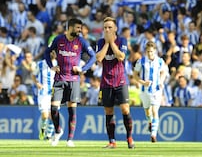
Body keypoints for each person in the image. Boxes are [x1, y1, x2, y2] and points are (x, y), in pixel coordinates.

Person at [44, 18, 96, 147]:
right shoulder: (58, 39)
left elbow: (93, 56)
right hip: (59, 79)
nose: (80, 30)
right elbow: (46, 52)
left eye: (80, 28)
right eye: (77, 28)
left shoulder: (81, 41)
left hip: (74, 80)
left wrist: (82, 69)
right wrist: (51, 66)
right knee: (54, 109)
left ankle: (70, 139)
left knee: (72, 110)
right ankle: (58, 131)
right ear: (70, 28)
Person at [95, 17, 135, 149]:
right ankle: (112, 141)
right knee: (108, 111)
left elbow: (121, 56)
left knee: (125, 109)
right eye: (105, 27)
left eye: (109, 27)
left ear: (115, 29)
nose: (107, 29)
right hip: (106, 82)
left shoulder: (122, 40)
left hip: (121, 80)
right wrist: (107, 43)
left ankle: (129, 138)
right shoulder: (100, 42)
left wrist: (112, 43)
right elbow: (99, 58)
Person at [133, 41, 166, 143]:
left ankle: (153, 135)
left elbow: (163, 72)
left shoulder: (160, 61)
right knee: (147, 111)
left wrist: (161, 81)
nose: (150, 54)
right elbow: (135, 75)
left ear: (155, 51)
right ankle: (150, 122)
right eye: (148, 52)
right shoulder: (141, 61)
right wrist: (143, 82)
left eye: (151, 51)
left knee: (155, 110)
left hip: (156, 90)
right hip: (144, 90)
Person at [32, 51, 57, 140]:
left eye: (54, 51)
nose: (53, 53)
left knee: (52, 115)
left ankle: (49, 135)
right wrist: (37, 83)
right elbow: (33, 75)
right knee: (45, 115)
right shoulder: (40, 64)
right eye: (51, 51)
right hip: (43, 93)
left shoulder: (58, 64)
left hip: (55, 92)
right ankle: (43, 129)